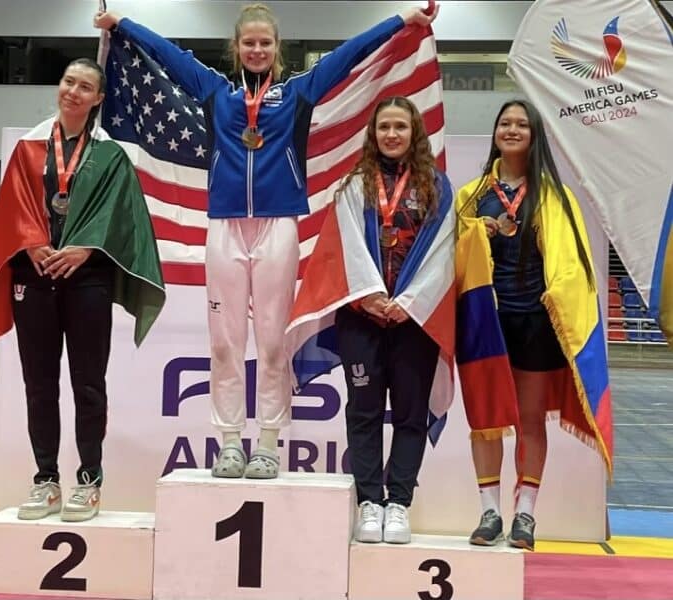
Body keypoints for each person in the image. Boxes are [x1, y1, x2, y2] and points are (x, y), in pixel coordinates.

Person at [94, 3, 439, 479]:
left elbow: (351, 54)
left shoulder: (298, 93)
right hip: (225, 227)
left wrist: (403, 20)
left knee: (273, 340)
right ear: (236, 49)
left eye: (266, 43)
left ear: (277, 49)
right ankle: (231, 442)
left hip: (279, 225)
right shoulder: (215, 91)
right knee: (224, 342)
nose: (257, 50)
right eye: (249, 43)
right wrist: (122, 26)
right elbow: (169, 56)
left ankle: (270, 444)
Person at [0, 58, 165, 522]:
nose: (73, 92)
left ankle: (90, 480)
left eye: (85, 87)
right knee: (39, 384)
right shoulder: (29, 147)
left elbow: (122, 218)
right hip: (33, 277)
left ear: (98, 99)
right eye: (68, 82)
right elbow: (14, 209)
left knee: (88, 384)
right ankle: (46, 481)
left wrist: (84, 249)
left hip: (86, 279)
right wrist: (33, 245)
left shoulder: (111, 155)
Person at [286, 97, 455, 544]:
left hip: (414, 320)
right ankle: (368, 501)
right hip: (362, 315)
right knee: (362, 410)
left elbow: (443, 253)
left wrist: (410, 301)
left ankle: (398, 502)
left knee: (410, 413)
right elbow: (344, 247)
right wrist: (371, 295)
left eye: (401, 126)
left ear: (414, 133)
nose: (392, 135)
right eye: (385, 127)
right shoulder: (355, 184)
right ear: (373, 133)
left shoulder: (437, 186)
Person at [455, 99, 612, 550]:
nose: (512, 129)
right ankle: (489, 513)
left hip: (537, 322)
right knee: (485, 420)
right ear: (495, 132)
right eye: (505, 122)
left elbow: (574, 266)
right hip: (485, 321)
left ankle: (524, 515)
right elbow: (450, 255)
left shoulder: (555, 197)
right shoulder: (470, 196)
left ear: (535, 134)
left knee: (528, 420)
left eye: (522, 124)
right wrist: (476, 232)